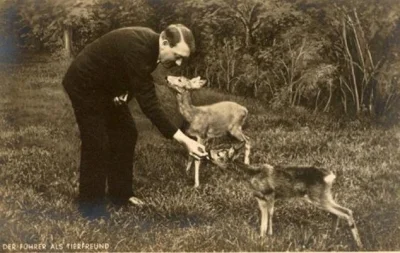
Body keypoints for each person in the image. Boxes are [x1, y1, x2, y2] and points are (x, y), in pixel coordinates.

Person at [62, 24, 207, 218]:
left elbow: (127, 71)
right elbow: (150, 104)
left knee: (127, 133)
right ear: (164, 42)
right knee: (97, 142)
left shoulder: (153, 48)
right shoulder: (140, 47)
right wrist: (186, 140)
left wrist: (123, 92)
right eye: (177, 56)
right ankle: (90, 207)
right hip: (84, 84)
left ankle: (121, 195)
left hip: (105, 86)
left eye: (183, 59)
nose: (179, 64)